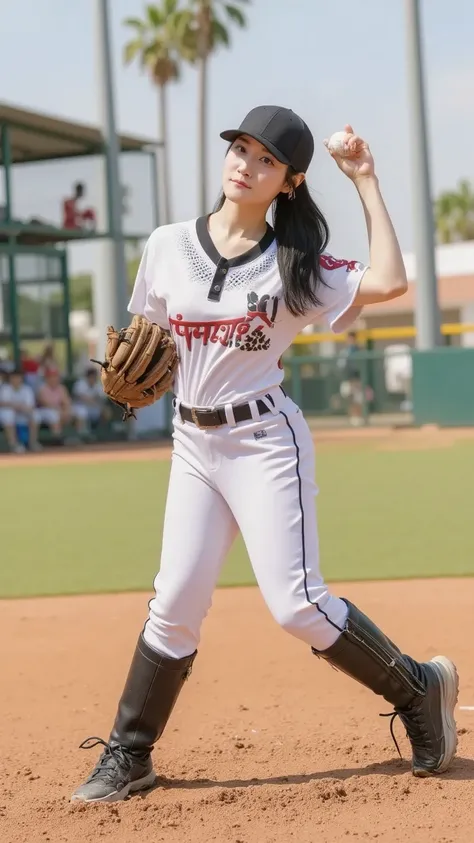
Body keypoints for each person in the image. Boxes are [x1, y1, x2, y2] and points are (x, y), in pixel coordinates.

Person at [71, 106, 458, 803]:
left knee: (297, 603)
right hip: (192, 442)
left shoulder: (295, 263)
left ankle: (420, 688)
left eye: (265, 158)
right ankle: (130, 753)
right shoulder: (165, 244)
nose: (245, 163)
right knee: (175, 601)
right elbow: (145, 339)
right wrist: (130, 378)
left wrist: (366, 180)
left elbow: (392, 281)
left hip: (263, 442)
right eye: (240, 148)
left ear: (289, 181)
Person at [0, 369, 42, 453]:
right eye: (13, 378)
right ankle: (13, 444)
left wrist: (21, 407)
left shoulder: (27, 389)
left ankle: (32, 442)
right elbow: (3, 403)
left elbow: (30, 406)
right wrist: (17, 406)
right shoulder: (5, 388)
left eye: (17, 377)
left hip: (22, 413)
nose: (15, 380)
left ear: (21, 378)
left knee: (36, 415)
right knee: (8, 415)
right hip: (7, 413)